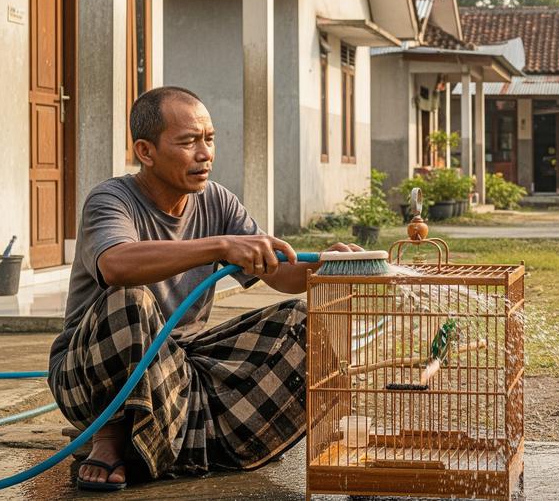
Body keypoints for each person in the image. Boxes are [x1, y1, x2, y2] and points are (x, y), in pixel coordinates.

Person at [46, 86, 358, 491]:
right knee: (130, 300)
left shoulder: (218, 201)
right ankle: (111, 437)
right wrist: (220, 245)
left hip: (182, 368)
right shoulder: (111, 199)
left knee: (299, 323)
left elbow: (280, 275)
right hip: (88, 372)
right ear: (146, 151)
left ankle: (165, 445)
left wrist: (328, 265)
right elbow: (116, 265)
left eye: (209, 139)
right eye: (188, 141)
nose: (205, 153)